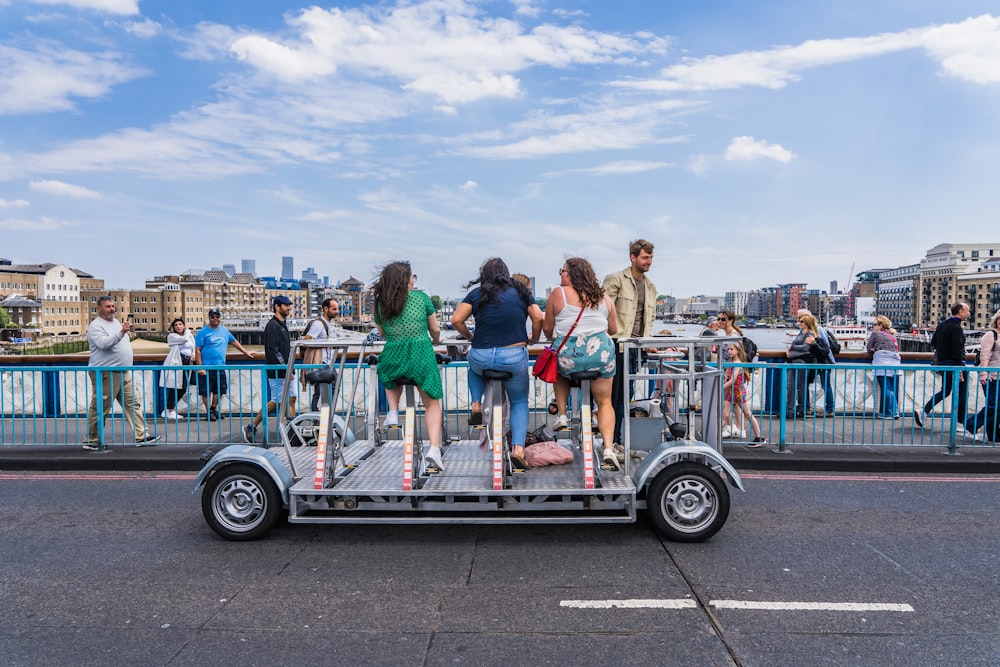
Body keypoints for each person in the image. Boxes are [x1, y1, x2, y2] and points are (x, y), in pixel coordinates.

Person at [452, 258, 543, 470]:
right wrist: (535, 338)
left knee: (473, 367)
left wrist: (470, 337)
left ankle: (476, 404)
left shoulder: (477, 293)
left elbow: (456, 320)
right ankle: (518, 450)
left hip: (482, 355)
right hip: (513, 355)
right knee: (519, 401)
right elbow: (538, 317)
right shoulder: (521, 290)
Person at [543, 258, 620, 469]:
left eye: (563, 271)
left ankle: (562, 414)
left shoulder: (559, 293)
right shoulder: (603, 297)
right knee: (605, 402)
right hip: (600, 355)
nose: (560, 275)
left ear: (572, 274)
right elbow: (613, 329)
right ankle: (608, 448)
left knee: (556, 369)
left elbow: (547, 329)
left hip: (570, 356)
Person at [370, 262, 445, 471]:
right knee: (431, 403)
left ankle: (393, 412)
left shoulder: (381, 303)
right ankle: (434, 449)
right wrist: (436, 339)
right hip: (421, 354)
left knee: (389, 374)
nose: (414, 280)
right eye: (413, 276)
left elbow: (382, 333)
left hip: (394, 354)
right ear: (405, 279)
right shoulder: (421, 298)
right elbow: (436, 329)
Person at [84, 295, 160, 449]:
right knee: (100, 407)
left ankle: (142, 436)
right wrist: (121, 332)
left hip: (124, 371)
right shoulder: (95, 326)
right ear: (98, 309)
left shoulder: (116, 323)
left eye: (113, 306)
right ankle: (92, 440)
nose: (112, 309)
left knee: (133, 403)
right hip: (105, 373)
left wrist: (122, 331)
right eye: (108, 306)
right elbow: (103, 344)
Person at [603, 239, 657, 448]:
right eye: (645, 257)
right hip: (616, 346)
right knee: (612, 398)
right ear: (632, 257)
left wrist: (648, 342)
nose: (649, 262)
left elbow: (648, 319)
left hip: (635, 349)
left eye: (651, 258)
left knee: (626, 398)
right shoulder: (616, 280)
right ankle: (611, 442)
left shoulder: (651, 287)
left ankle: (616, 441)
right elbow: (602, 311)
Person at [243, 296, 297, 444]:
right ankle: (251, 426)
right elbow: (273, 350)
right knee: (276, 401)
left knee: (292, 398)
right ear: (277, 307)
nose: (288, 308)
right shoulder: (273, 326)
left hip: (286, 369)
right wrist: (285, 369)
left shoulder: (282, 324)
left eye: (289, 305)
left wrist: (289, 369)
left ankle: (292, 430)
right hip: (278, 370)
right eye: (286, 305)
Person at [914, 302, 970, 431]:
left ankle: (924, 410)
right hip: (955, 365)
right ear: (960, 312)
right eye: (967, 311)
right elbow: (958, 350)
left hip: (943, 364)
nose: (968, 313)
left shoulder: (942, 325)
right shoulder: (956, 328)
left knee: (945, 391)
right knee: (962, 394)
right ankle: (960, 423)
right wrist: (960, 369)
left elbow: (934, 343)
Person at [194, 308, 255, 421]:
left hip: (220, 366)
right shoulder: (202, 332)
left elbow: (234, 342)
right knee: (205, 391)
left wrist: (246, 352)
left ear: (220, 318)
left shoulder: (224, 331)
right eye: (213, 317)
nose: (215, 319)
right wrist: (200, 367)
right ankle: (208, 412)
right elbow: (197, 350)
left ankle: (213, 409)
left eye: (217, 316)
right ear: (209, 318)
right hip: (206, 367)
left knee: (220, 390)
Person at [785, 313, 830, 419]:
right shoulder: (800, 333)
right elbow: (797, 346)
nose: (799, 323)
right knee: (790, 386)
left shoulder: (811, 334)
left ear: (807, 323)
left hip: (803, 362)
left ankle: (801, 409)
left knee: (801, 387)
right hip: (792, 361)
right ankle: (789, 410)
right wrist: (793, 347)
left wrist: (793, 346)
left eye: (801, 321)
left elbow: (805, 348)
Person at [964, 310, 1000, 442]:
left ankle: (994, 435)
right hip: (992, 375)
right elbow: (985, 355)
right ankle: (971, 425)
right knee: (993, 406)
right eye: (999, 320)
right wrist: (984, 372)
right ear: (996, 321)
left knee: (995, 407)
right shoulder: (991, 335)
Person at [722, 342, 766, 446]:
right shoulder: (731, 362)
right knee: (725, 414)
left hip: (738, 392)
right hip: (732, 391)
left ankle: (759, 437)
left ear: (738, 350)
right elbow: (727, 377)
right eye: (728, 349)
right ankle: (713, 436)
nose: (729, 351)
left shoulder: (738, 363)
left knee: (747, 414)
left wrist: (721, 386)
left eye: (731, 349)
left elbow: (733, 380)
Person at [301, 298, 339, 412]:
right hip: (322, 363)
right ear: (325, 309)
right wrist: (324, 344)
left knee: (326, 391)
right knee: (321, 392)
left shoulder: (329, 325)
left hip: (328, 363)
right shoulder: (318, 324)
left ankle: (323, 417)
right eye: (334, 309)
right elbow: (306, 341)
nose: (337, 311)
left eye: (337, 309)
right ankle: (319, 417)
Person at [797, 308, 836, 414]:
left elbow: (826, 348)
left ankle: (829, 409)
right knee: (804, 383)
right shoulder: (803, 330)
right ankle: (806, 407)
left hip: (823, 362)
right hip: (810, 361)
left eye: (800, 318)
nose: (798, 321)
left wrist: (814, 343)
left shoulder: (818, 329)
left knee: (825, 384)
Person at [159, 317, 195, 421]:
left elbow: (193, 345)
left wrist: (193, 355)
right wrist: (187, 331)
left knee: (184, 387)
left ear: (183, 325)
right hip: (177, 361)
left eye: (180, 324)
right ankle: (170, 410)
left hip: (188, 362)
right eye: (176, 325)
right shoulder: (172, 336)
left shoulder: (189, 335)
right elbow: (184, 339)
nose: (178, 326)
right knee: (174, 386)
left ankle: (169, 409)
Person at [866, 315, 901, 419]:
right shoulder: (892, 335)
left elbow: (868, 348)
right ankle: (894, 411)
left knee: (885, 388)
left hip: (882, 361)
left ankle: (887, 413)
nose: (873, 327)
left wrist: (874, 349)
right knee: (892, 388)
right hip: (895, 361)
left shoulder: (875, 334)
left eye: (875, 324)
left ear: (880, 326)